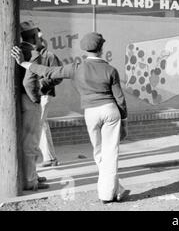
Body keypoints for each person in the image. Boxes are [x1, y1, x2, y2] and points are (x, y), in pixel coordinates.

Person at [12, 32, 129, 204]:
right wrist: (124, 122)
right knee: (110, 153)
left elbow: (48, 72)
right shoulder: (111, 70)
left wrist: (23, 62)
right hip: (110, 111)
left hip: (91, 113)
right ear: (101, 49)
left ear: (85, 49)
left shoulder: (76, 68)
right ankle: (107, 194)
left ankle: (116, 189)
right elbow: (120, 99)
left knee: (99, 154)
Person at [18, 21, 49, 191]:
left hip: (23, 100)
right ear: (34, 35)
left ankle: (32, 175)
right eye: (38, 34)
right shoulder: (32, 52)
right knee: (31, 143)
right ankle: (30, 181)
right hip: (29, 101)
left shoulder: (21, 49)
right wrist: (36, 99)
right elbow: (29, 81)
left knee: (29, 142)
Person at [36, 28, 63, 167]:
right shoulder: (28, 54)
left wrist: (41, 83)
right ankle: (50, 158)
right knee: (41, 124)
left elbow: (58, 76)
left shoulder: (50, 56)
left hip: (44, 95)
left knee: (39, 125)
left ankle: (50, 158)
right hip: (33, 96)